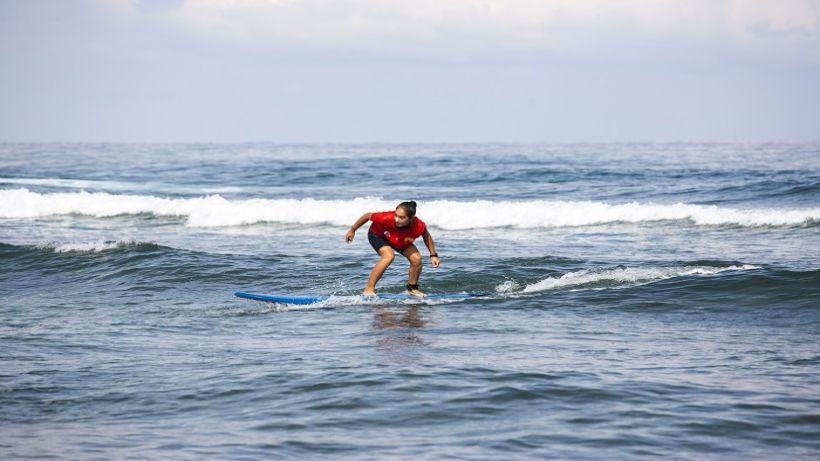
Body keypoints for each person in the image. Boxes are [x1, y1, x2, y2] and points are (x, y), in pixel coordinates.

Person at [345, 201, 440, 297]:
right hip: (378, 235)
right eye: (396, 215)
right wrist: (352, 230)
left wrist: (433, 255)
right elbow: (367, 216)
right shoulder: (385, 217)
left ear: (411, 218)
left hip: (400, 239)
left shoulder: (419, 225)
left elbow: (426, 236)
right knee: (389, 255)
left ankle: (412, 289)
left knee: (417, 259)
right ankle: (369, 289)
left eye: (401, 217)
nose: (397, 220)